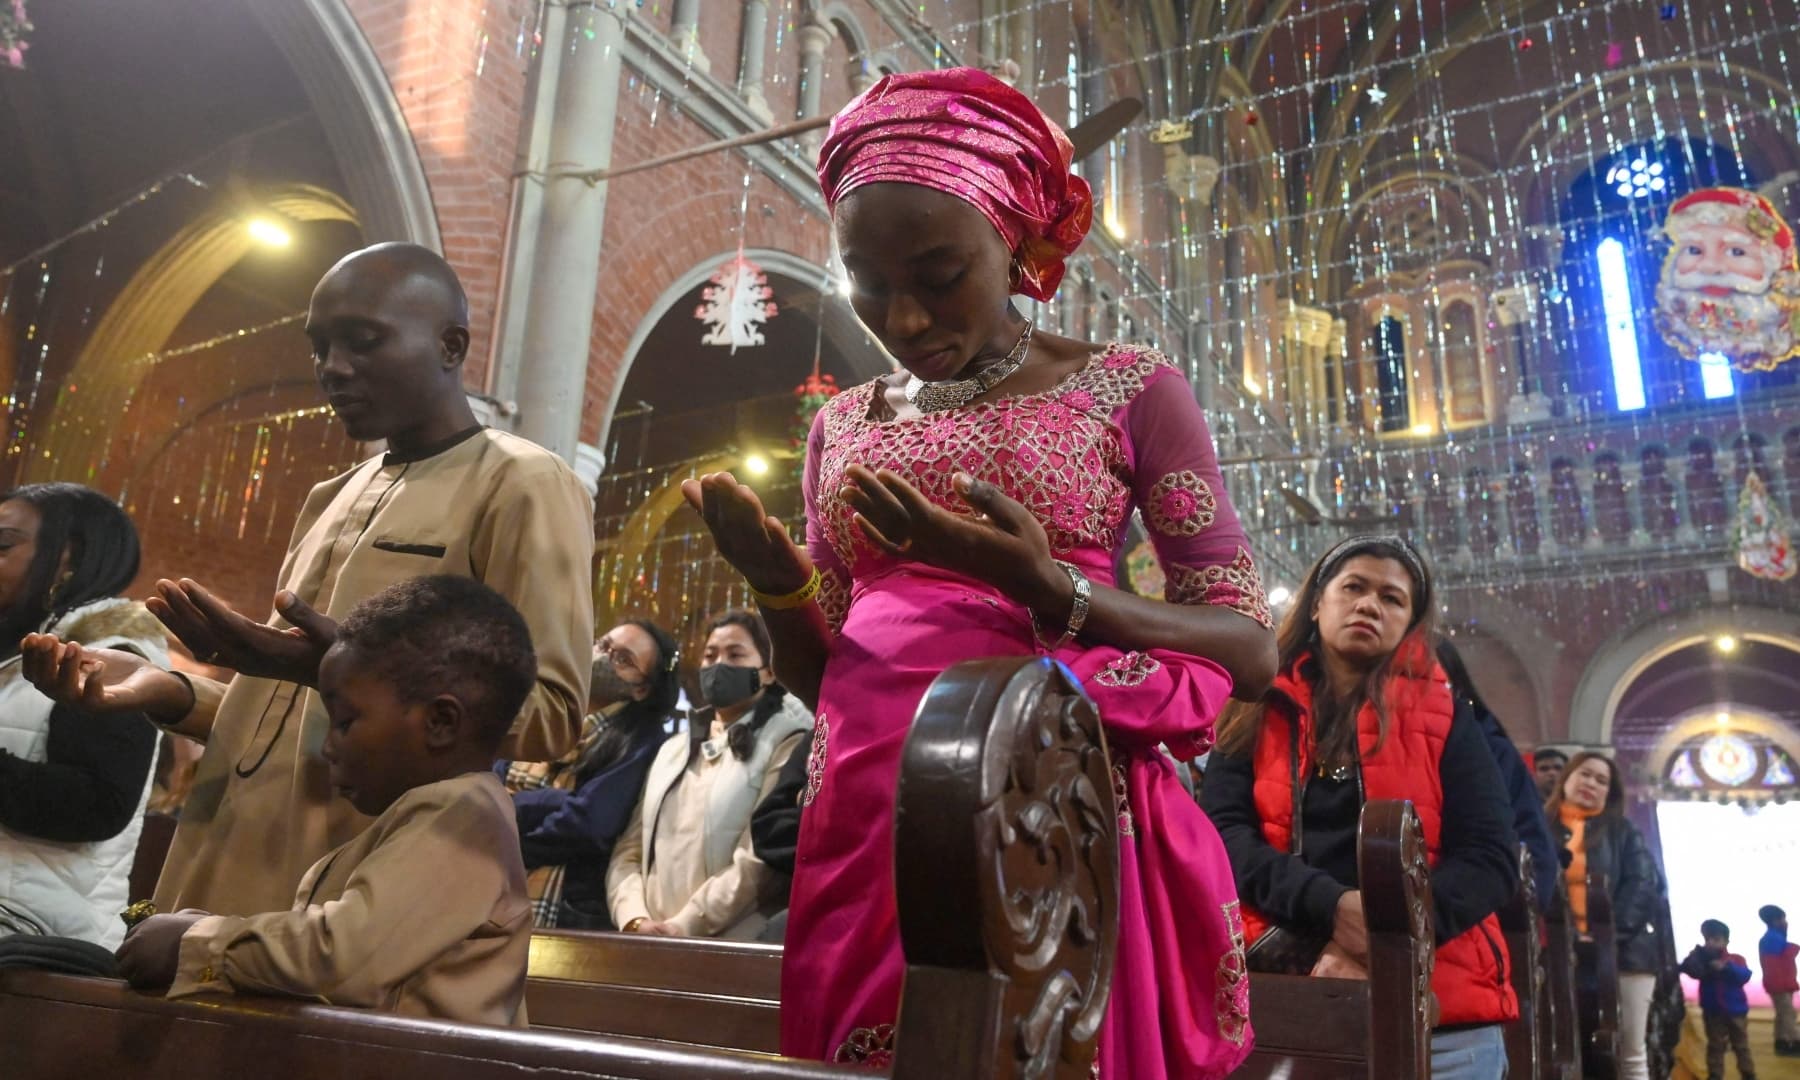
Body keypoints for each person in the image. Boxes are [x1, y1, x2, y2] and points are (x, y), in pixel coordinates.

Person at [682, 68, 1276, 1077]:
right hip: (867, 815)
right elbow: (832, 684)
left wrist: (1057, 593)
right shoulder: (842, 426)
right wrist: (777, 586)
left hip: (1050, 806)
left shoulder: (1130, 391)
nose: (904, 320)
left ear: (1015, 239)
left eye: (938, 274)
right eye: (869, 287)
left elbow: (1248, 645)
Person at [20, 243, 594, 920]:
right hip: (224, 854)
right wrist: (169, 692)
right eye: (320, 347)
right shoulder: (333, 495)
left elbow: (552, 715)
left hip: (355, 885)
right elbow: (283, 716)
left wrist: (340, 666)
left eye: (364, 341)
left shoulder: (522, 482)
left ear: (451, 345)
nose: (333, 369)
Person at [97, 577, 533, 1025]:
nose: (328, 748)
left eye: (344, 722)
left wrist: (194, 943)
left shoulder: (462, 815)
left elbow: (344, 958)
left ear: (440, 722)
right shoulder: (433, 814)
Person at [1203, 536, 1519, 1080]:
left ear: (1411, 623)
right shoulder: (1253, 704)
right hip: (1286, 984)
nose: (1370, 605)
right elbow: (1223, 839)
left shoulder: (1447, 715)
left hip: (1441, 1008)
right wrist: (1328, 913)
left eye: (1393, 599)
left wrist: (1387, 936)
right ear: (1318, 601)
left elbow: (1491, 859)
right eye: (1354, 587)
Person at [0, 484, 165, 947]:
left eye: (4, 545)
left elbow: (98, 805)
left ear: (68, 555)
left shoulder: (108, 654)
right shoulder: (17, 649)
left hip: (38, 939)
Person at [606, 610, 808, 940]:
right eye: (710, 655)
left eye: (735, 654)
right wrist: (634, 917)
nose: (718, 665)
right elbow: (629, 849)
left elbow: (759, 860)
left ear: (769, 672)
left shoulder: (787, 741)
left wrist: (686, 924)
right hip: (648, 940)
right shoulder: (673, 749)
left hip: (733, 942)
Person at [503, 620, 680, 929]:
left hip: (568, 906)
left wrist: (509, 839)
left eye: (623, 659)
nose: (603, 657)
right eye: (603, 645)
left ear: (641, 689)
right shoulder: (543, 712)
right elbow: (489, 787)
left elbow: (590, 822)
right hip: (489, 883)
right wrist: (555, 800)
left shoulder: (642, 740)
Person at [1545, 749, 1668, 1080]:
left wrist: (1605, 938)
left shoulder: (1624, 831)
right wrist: (1569, 940)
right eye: (1585, 774)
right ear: (1567, 778)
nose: (1591, 783)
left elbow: (1641, 886)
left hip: (1626, 955)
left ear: (1609, 793)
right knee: (1558, 1051)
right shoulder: (1541, 828)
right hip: (1556, 955)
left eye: (1601, 781)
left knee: (1628, 1053)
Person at [1436, 639, 1560, 910]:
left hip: (1481, 914)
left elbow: (1536, 858)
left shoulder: (1493, 750)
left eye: (1434, 681)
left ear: (1456, 688)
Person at [1681, 919, 1757, 1080]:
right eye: (1707, 939)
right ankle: (1715, 1075)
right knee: (1715, 1045)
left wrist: (1726, 968)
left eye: (1715, 939)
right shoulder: (1701, 959)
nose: (1710, 943)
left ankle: (1748, 1073)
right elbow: (1689, 969)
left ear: (1726, 941)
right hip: (1713, 1011)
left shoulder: (1735, 959)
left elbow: (1745, 976)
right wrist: (1696, 957)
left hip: (1736, 1011)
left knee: (1741, 1045)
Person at [1760, 904, 1799, 1055]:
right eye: (1783, 919)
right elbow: (1776, 966)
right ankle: (1795, 1042)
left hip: (1778, 984)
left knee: (1782, 1014)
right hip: (1780, 985)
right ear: (1775, 921)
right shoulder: (1773, 939)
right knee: (1788, 1014)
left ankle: (1781, 1041)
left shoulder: (1771, 938)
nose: (1786, 922)